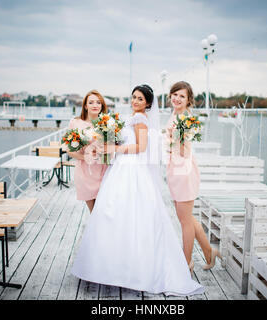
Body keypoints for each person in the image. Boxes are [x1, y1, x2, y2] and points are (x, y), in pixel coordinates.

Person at [71, 84, 204, 296]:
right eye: (134, 97)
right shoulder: (132, 117)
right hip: (121, 168)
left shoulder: (141, 120)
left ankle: (129, 268)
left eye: (140, 99)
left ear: (148, 103)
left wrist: (115, 148)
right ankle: (115, 266)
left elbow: (140, 148)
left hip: (132, 169)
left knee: (129, 216)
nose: (135, 101)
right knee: (115, 216)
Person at [165, 81, 221, 273]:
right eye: (175, 94)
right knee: (186, 218)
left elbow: (184, 149)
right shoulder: (175, 115)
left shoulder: (186, 119)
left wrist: (171, 140)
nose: (177, 98)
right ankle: (209, 252)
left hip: (184, 171)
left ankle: (186, 262)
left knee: (185, 221)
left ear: (189, 100)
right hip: (175, 170)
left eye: (182, 96)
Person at [67, 90, 108, 213]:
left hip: (104, 172)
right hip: (85, 172)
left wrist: (104, 152)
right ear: (85, 106)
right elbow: (69, 151)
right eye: (91, 102)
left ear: (102, 105)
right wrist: (85, 157)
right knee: (94, 212)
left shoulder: (108, 123)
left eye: (98, 102)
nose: (95, 105)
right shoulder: (75, 123)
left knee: (105, 211)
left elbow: (111, 151)